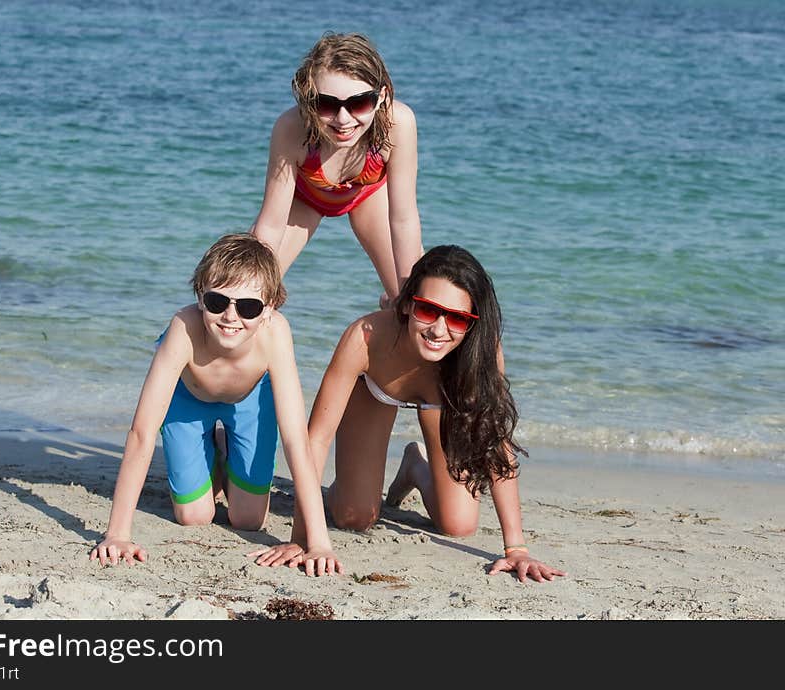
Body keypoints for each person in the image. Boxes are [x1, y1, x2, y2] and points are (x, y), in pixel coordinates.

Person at [253, 245, 566, 583]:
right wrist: (303, 539)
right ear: (407, 304)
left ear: (473, 323)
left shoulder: (481, 353)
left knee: (458, 525)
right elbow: (316, 439)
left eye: (458, 318)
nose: (439, 329)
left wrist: (515, 549)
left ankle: (415, 467)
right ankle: (347, 487)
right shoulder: (364, 337)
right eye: (429, 311)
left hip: (442, 401)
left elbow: (494, 443)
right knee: (354, 515)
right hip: (374, 392)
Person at [90, 234, 341, 576]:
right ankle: (211, 452)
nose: (230, 316)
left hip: (250, 401)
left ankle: (223, 450)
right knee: (194, 516)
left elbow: (296, 438)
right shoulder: (184, 328)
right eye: (217, 302)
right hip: (188, 402)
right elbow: (142, 430)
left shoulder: (276, 334)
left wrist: (319, 543)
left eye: (248, 306)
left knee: (248, 520)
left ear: (269, 309)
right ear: (200, 297)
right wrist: (117, 534)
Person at [251, 32, 423, 308]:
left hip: (367, 197)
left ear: (382, 96)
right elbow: (271, 224)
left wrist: (410, 293)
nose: (343, 119)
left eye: (359, 103)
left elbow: (403, 220)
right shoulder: (291, 128)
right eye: (327, 104)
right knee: (251, 296)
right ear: (309, 99)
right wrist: (251, 288)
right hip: (305, 200)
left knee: (411, 305)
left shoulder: (399, 123)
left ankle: (392, 305)